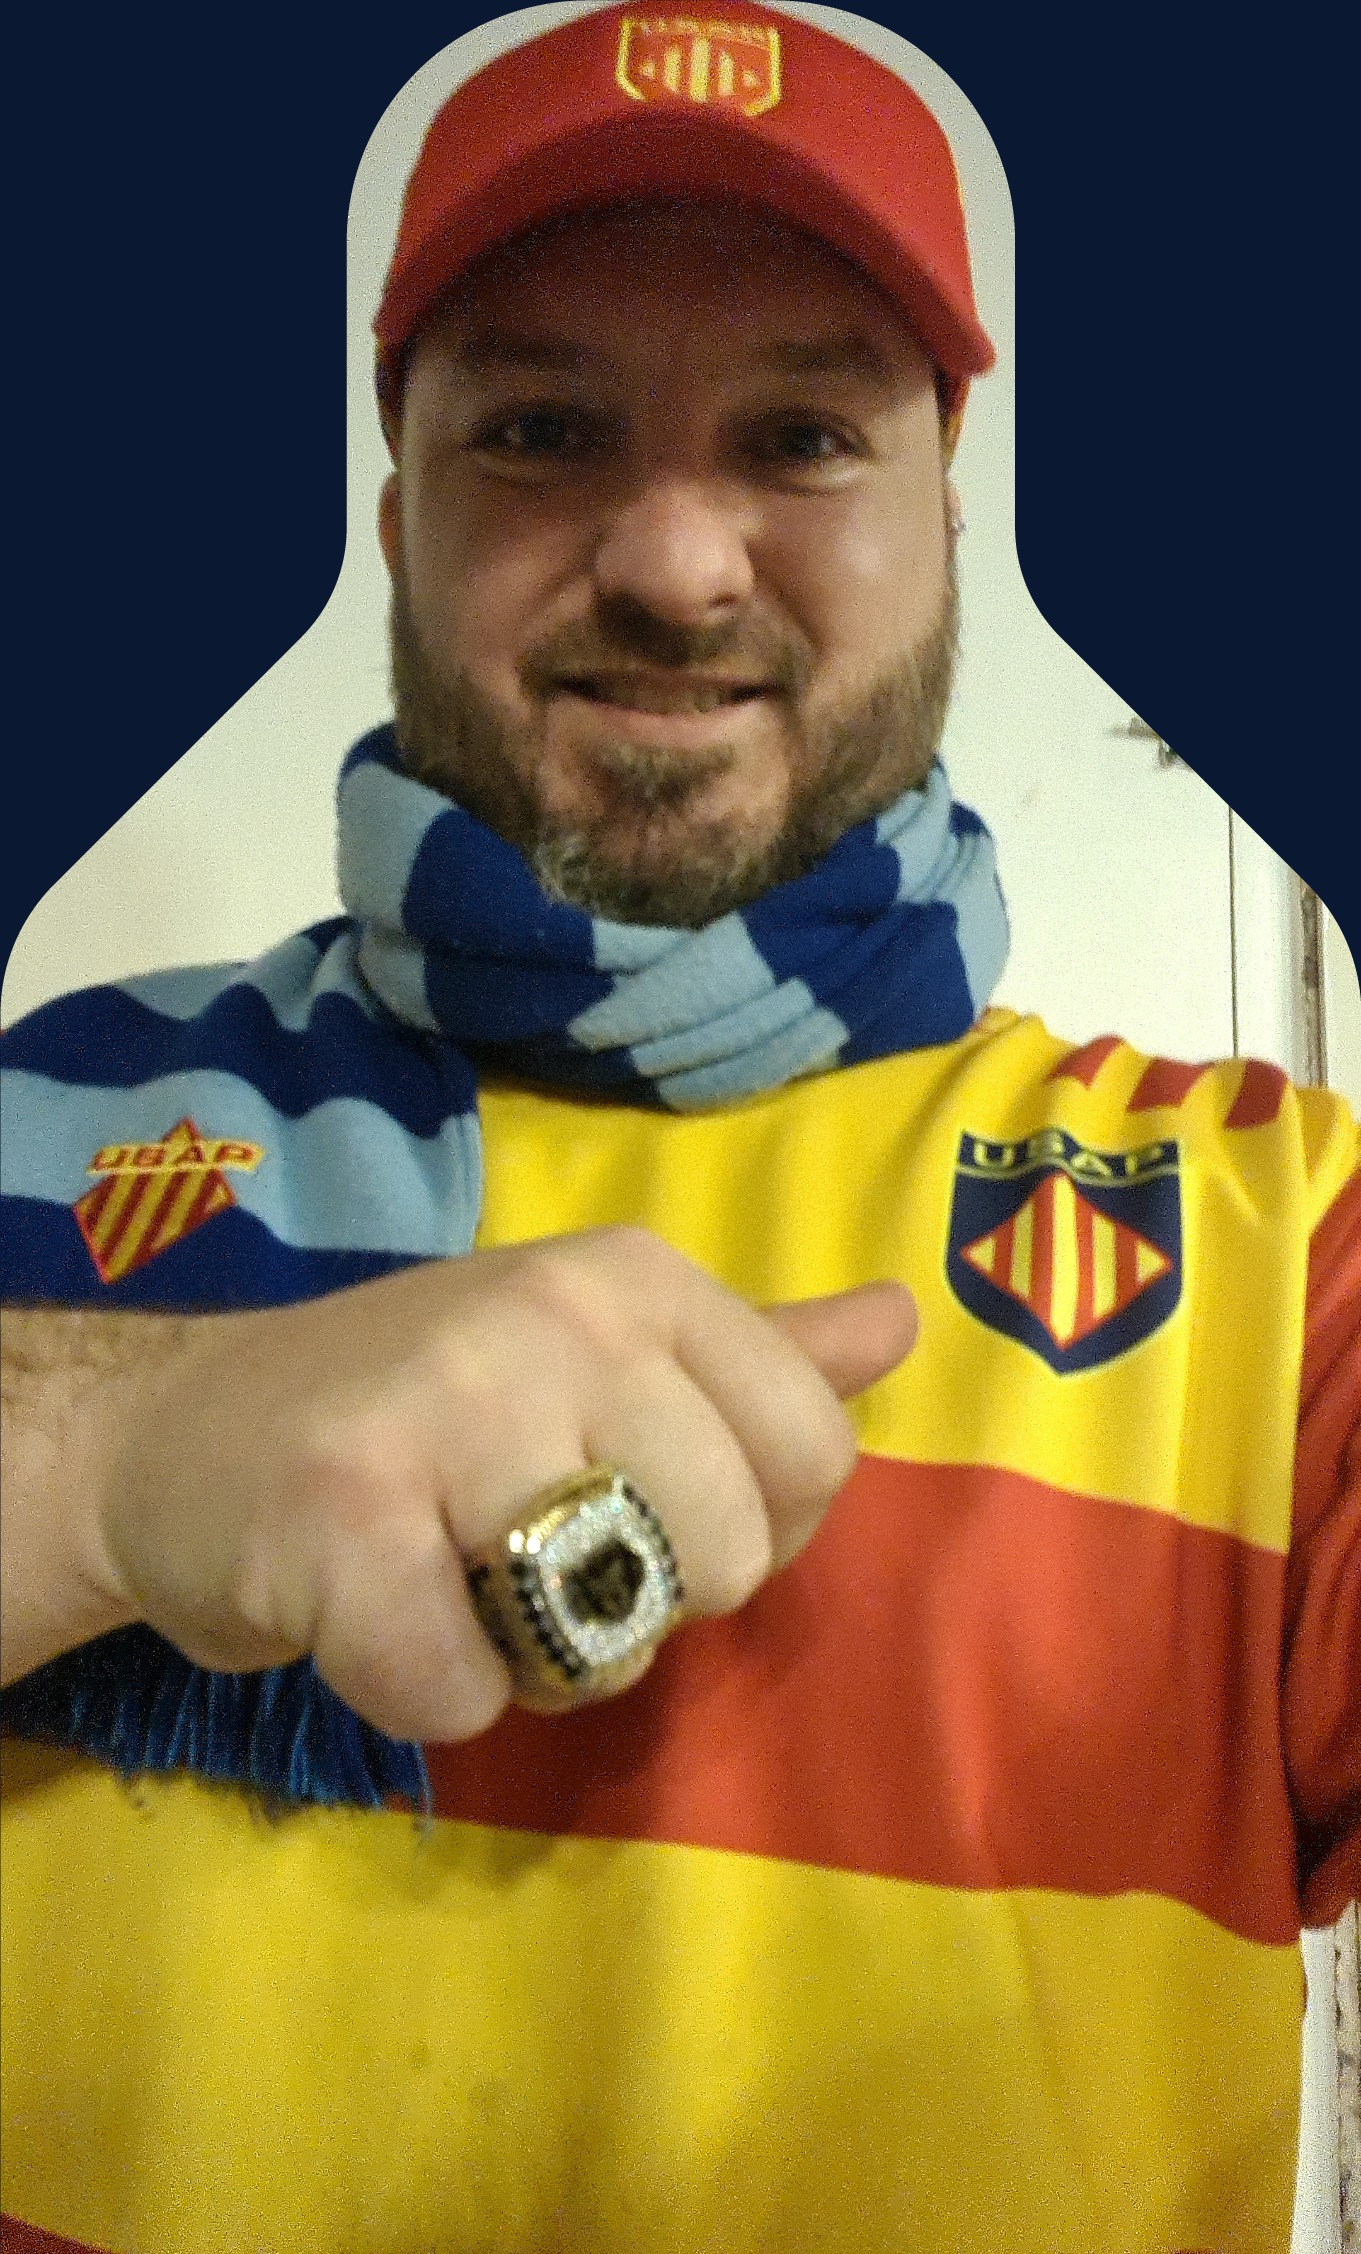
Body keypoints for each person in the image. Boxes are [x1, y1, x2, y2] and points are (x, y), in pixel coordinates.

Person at [1, 7, 1356, 2251]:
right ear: (395, 518)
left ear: (945, 517)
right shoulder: (41, 1117)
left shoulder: (1287, 1248)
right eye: (540, 429)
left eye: (802, 436)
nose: (674, 562)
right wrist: (100, 1454)